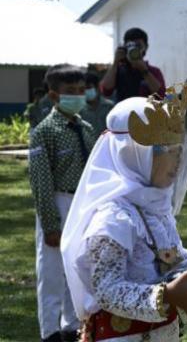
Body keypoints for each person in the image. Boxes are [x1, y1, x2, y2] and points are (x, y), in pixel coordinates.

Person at [61, 92, 187, 341]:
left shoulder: (154, 208)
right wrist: (167, 296)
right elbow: (108, 290)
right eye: (168, 151)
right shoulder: (113, 218)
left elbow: (171, 257)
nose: (178, 161)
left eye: (180, 150)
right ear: (134, 153)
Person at [29, 65, 95, 342]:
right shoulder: (44, 132)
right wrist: (50, 223)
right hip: (58, 201)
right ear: (54, 96)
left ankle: (72, 326)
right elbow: (41, 182)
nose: (78, 97)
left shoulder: (87, 128)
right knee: (52, 273)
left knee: (76, 270)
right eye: (70, 93)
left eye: (81, 91)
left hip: (83, 204)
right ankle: (50, 332)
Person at [100, 27, 166, 102]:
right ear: (124, 47)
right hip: (124, 112)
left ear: (146, 47)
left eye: (138, 46)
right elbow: (106, 91)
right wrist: (115, 63)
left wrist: (144, 71)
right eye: (130, 46)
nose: (134, 49)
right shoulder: (118, 70)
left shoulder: (153, 71)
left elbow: (161, 95)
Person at [80, 73, 115, 140]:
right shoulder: (79, 109)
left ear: (97, 87)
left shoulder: (109, 106)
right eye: (83, 89)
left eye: (89, 88)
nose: (86, 91)